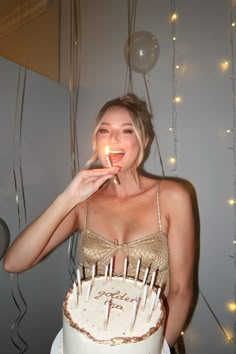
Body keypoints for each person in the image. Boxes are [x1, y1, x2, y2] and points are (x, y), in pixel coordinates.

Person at [3, 93, 195, 353]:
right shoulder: (84, 202)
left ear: (144, 141)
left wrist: (153, 348)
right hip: (89, 344)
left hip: (156, 341)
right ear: (96, 141)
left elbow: (181, 291)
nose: (114, 138)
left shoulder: (173, 196)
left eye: (126, 130)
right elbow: (14, 262)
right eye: (104, 130)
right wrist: (68, 197)